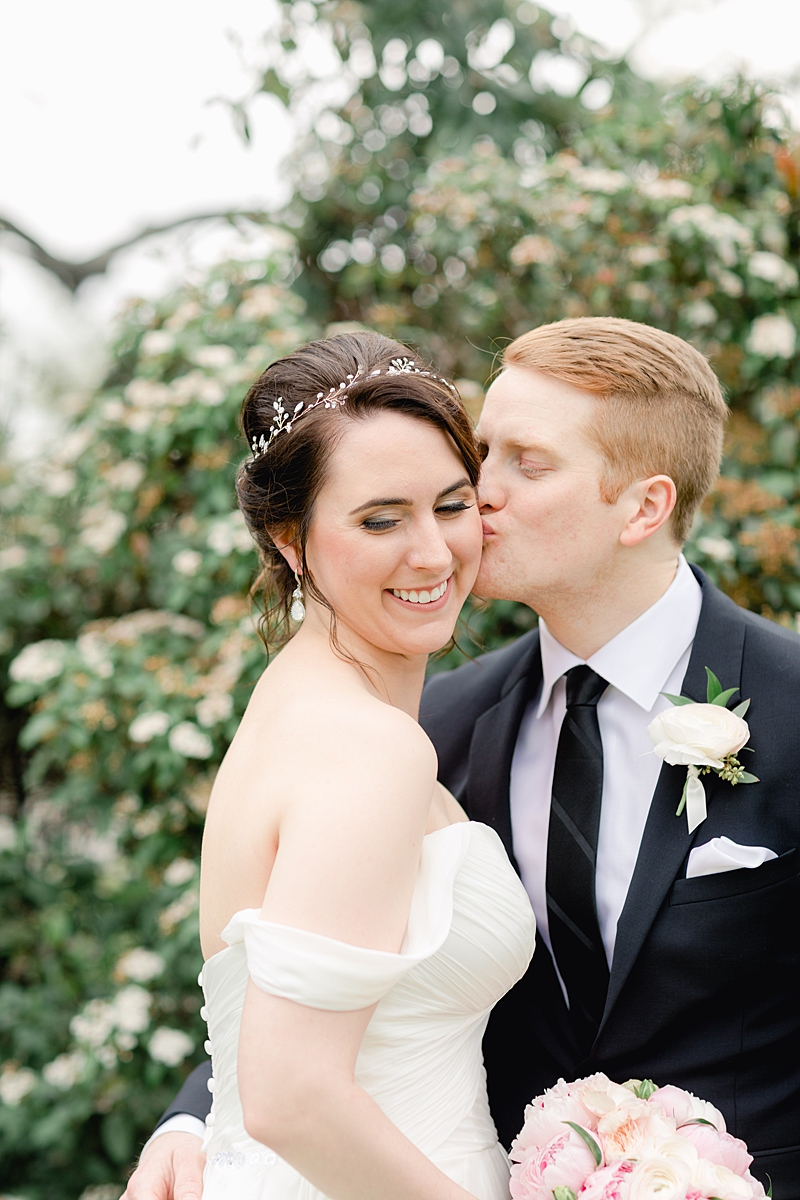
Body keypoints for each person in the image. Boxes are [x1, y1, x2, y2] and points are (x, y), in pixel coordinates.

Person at [126, 318, 800, 1199]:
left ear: (644, 506)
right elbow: (298, 964)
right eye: (482, 450)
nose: (478, 492)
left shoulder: (789, 707)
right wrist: (195, 1115)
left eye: (527, 461)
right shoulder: (434, 721)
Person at [139, 330, 537, 1200]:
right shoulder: (369, 745)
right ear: (291, 541)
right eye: (380, 520)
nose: (432, 553)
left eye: (453, 504)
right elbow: (290, 1095)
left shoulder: (295, 702)